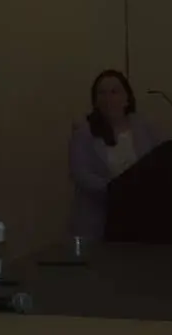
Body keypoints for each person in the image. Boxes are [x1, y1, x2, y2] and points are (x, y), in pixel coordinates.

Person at [68, 68, 162, 240]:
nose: (108, 98)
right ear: (95, 101)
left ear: (127, 98)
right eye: (102, 93)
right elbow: (80, 173)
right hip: (99, 219)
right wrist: (116, 190)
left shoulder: (144, 127)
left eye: (114, 92)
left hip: (141, 217)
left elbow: (160, 163)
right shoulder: (85, 132)